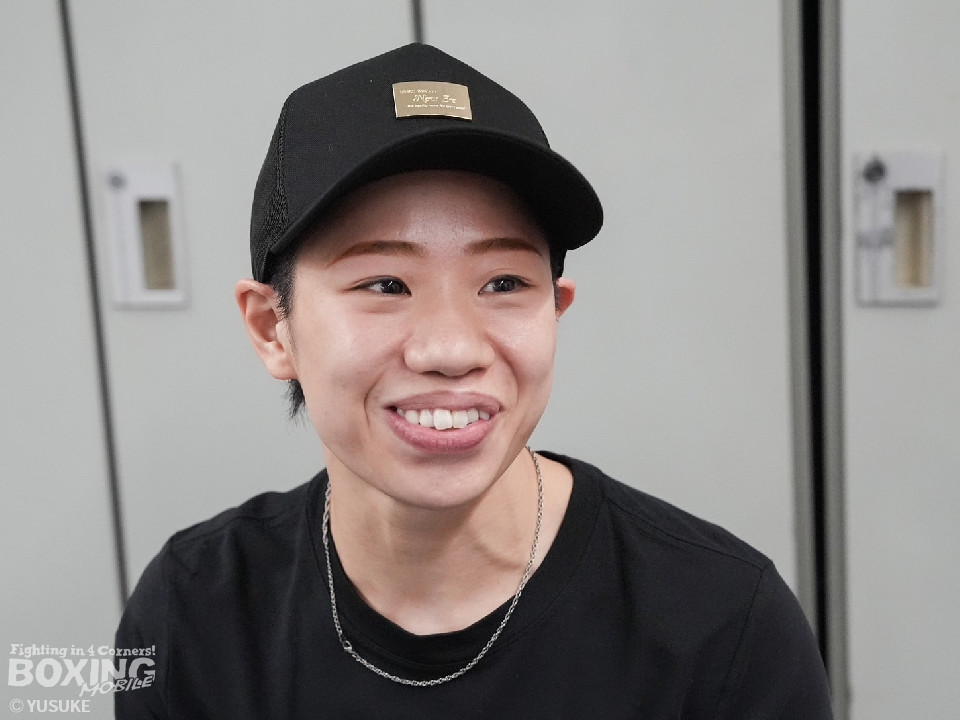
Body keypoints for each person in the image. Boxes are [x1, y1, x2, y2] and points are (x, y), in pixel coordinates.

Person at [115, 43, 834, 718]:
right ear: (273, 329)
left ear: (557, 309)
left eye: (503, 283)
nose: (452, 348)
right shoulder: (189, 616)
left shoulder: (725, 629)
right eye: (386, 283)